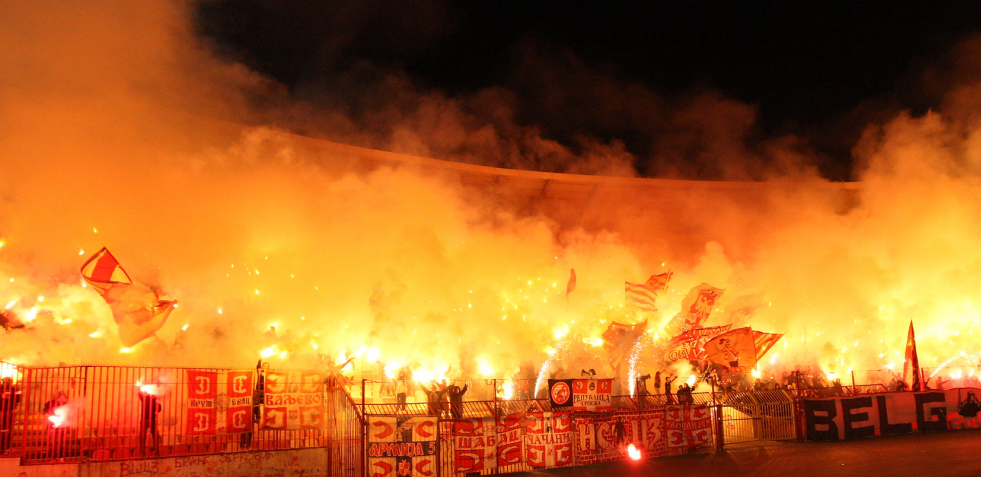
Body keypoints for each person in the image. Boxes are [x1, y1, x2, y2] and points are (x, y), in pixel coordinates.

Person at [43, 391, 69, 459]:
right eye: (62, 397)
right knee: (52, 443)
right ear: (58, 397)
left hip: (62, 426)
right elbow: (45, 413)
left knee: (62, 443)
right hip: (52, 426)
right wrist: (54, 416)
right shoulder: (50, 403)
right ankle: (52, 458)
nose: (64, 399)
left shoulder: (65, 404)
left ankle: (61, 458)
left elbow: (70, 414)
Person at [138, 388, 162, 455]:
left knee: (152, 436)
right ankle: (144, 452)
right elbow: (159, 410)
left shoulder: (153, 400)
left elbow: (158, 409)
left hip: (149, 419)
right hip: (147, 419)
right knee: (144, 437)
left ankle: (153, 452)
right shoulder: (145, 398)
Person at [0, 378, 20, 453]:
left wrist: (12, 395)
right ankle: (2, 447)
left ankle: (6, 447)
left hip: (10, 410)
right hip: (1, 410)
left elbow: (19, 399)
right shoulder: (0, 388)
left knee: (8, 429)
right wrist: (2, 395)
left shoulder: (14, 389)